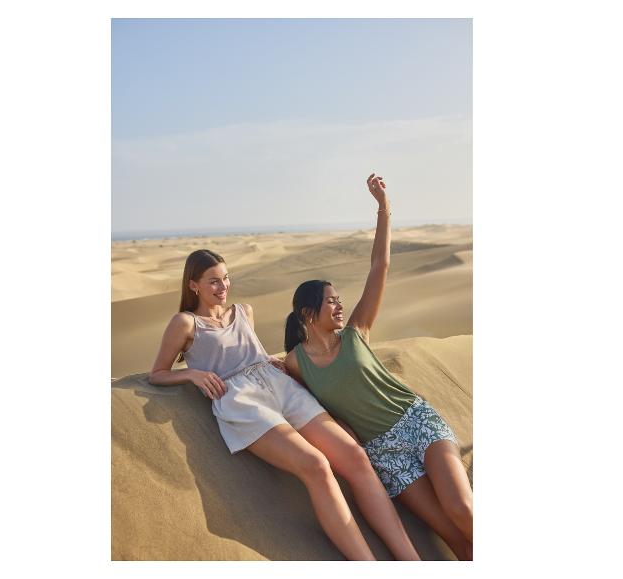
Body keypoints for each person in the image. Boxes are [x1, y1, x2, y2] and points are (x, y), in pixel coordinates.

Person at [148, 248, 422, 560]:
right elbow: (157, 374)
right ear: (193, 285)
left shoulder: (244, 310)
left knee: (355, 457)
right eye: (213, 281)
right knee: (316, 465)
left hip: (280, 385)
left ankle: (410, 560)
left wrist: (270, 360)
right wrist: (192, 374)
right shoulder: (185, 323)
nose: (222, 287)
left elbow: (254, 353)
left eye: (225, 279)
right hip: (242, 401)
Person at [283, 174, 474, 561]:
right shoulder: (294, 363)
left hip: (416, 423)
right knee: (454, 538)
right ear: (307, 312)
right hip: (383, 453)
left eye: (340, 300)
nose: (339, 306)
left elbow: (379, 267)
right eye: (331, 301)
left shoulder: (356, 332)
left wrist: (383, 209)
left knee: (464, 512)